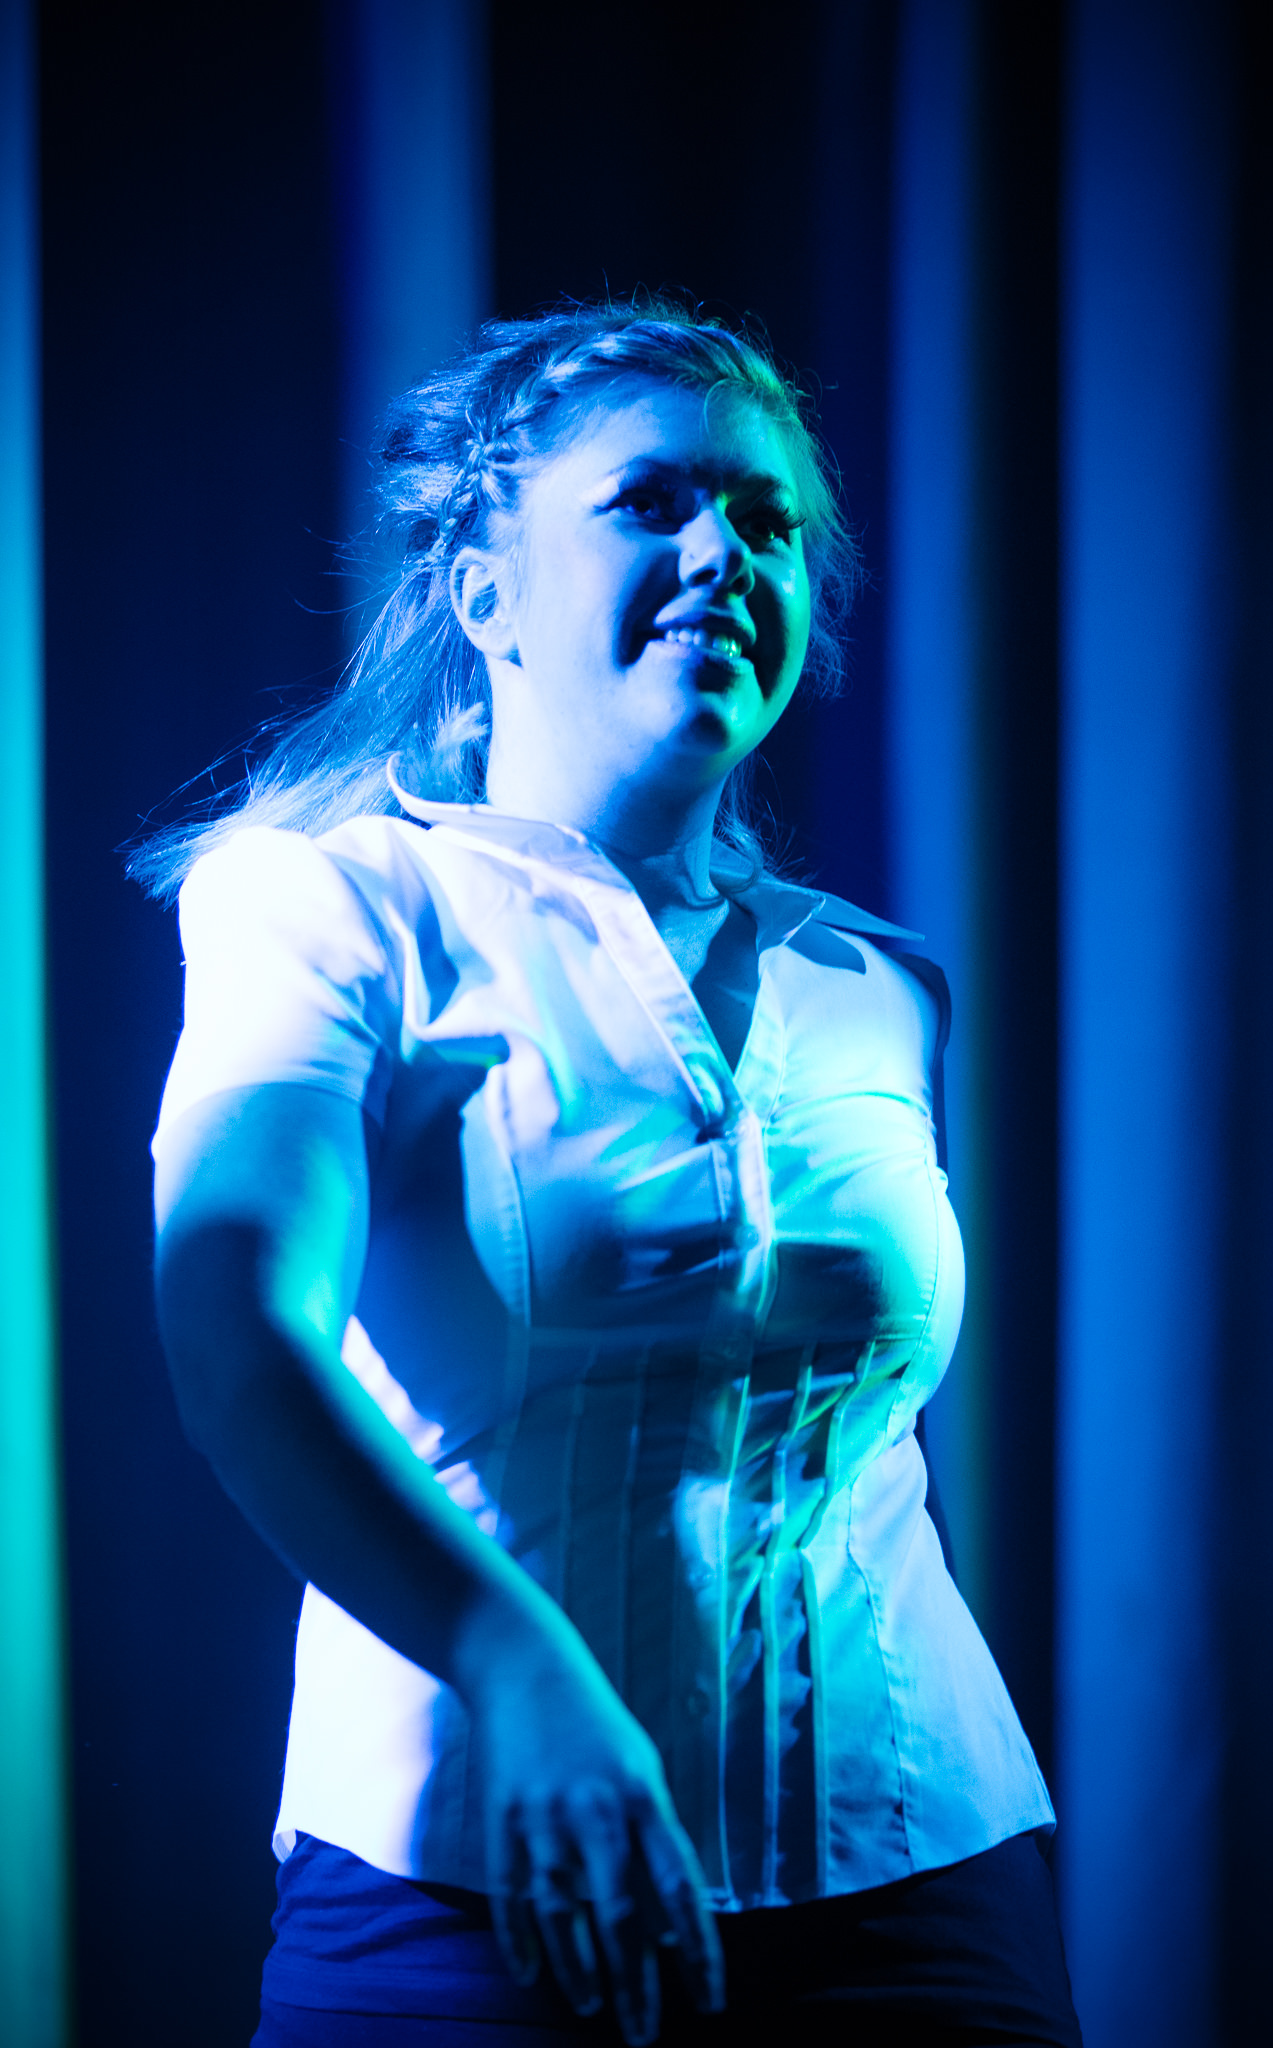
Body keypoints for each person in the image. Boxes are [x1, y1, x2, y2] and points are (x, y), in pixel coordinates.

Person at [140, 302, 1082, 2047]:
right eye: (651, 501)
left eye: (768, 520)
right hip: (462, 1890)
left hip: (924, 1879)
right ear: (481, 596)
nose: (724, 552)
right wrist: (517, 1667)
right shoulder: (326, 905)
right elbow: (232, 1334)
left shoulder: (876, 983)